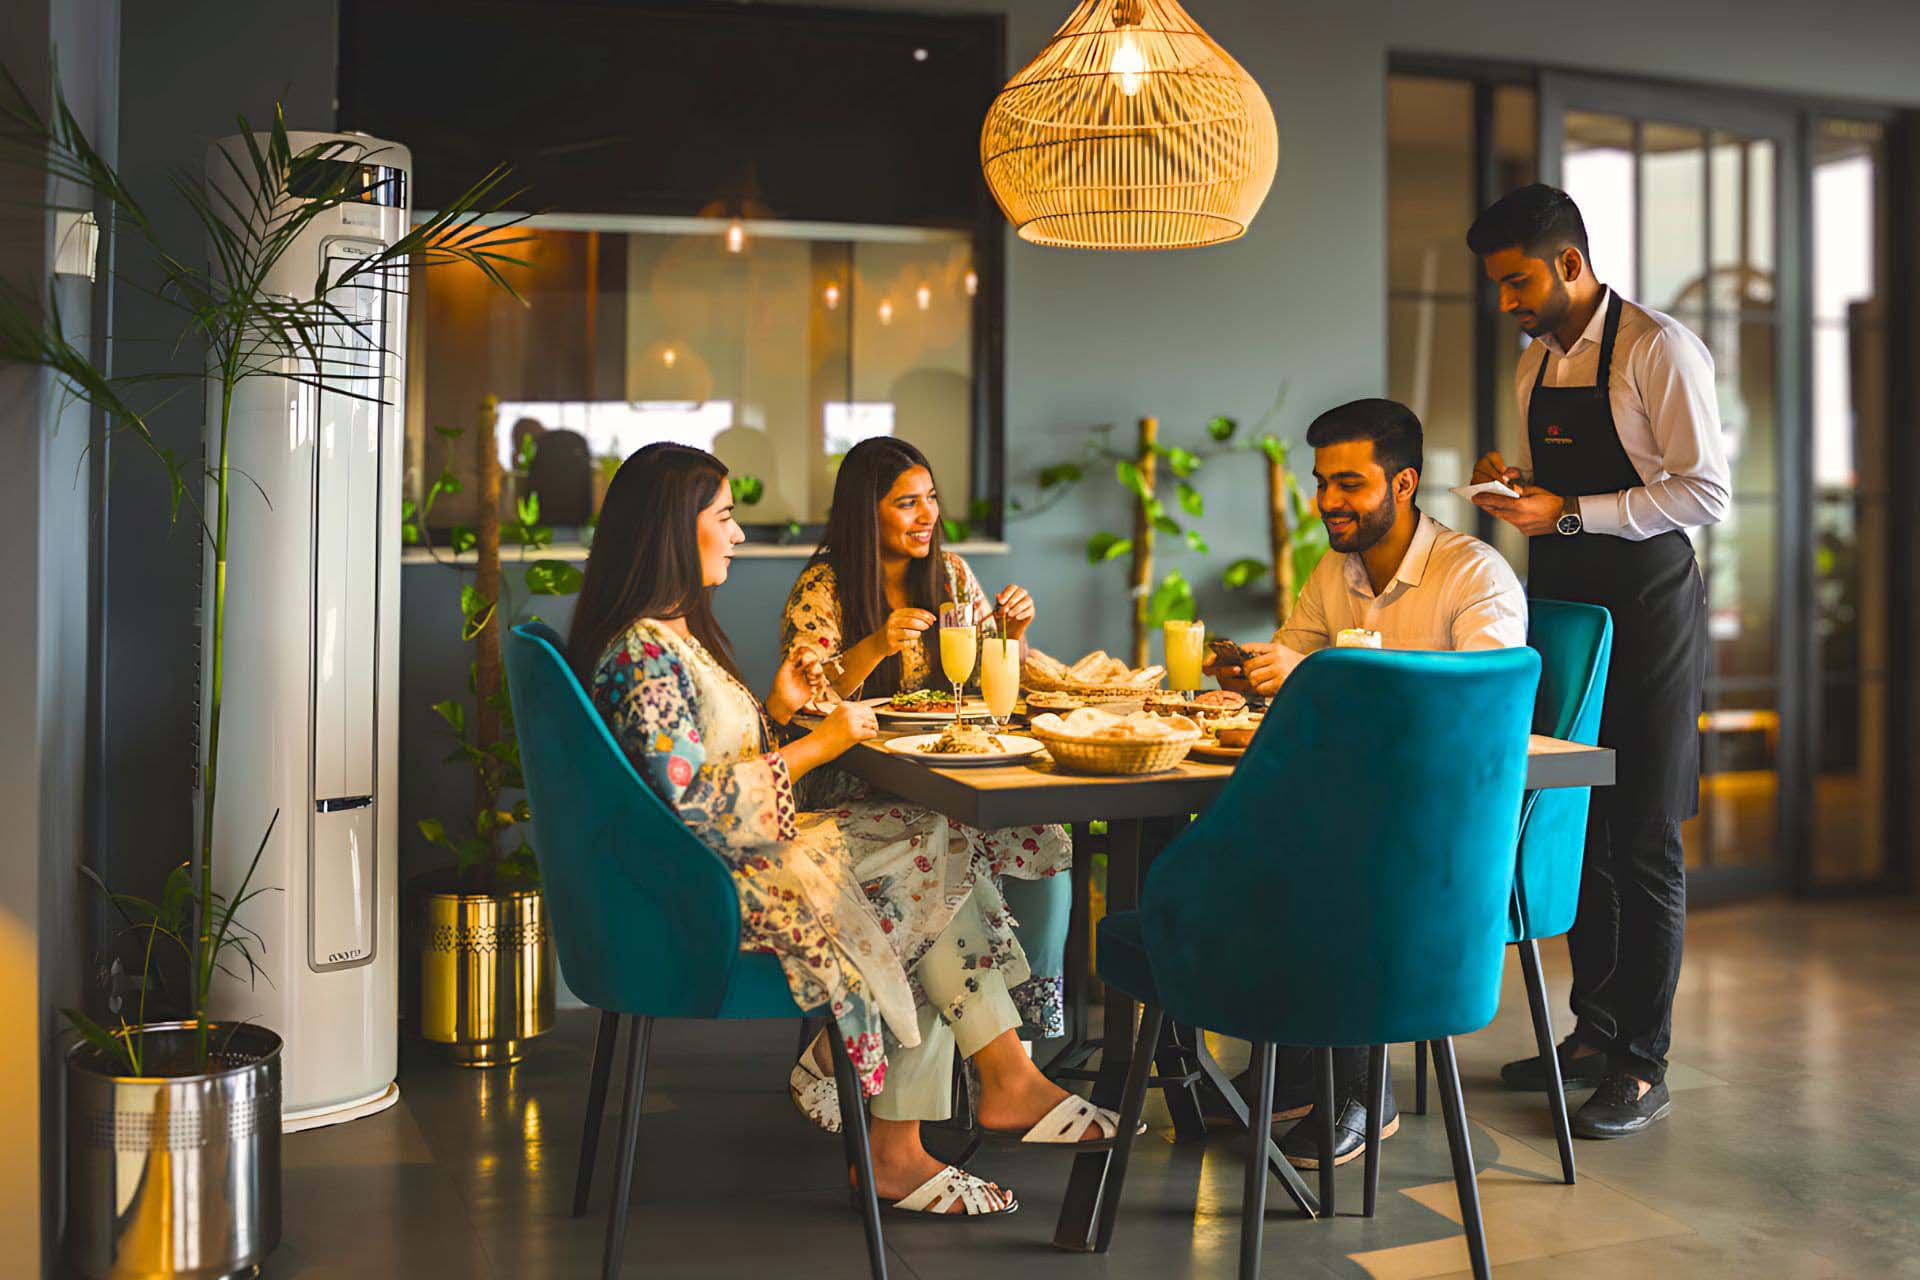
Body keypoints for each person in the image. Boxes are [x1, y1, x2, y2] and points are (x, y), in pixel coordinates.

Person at [1465, 183, 1727, 1139]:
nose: (1508, 303)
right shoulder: (1535, 362)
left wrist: (1569, 513)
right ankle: (1594, 1032)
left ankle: (1643, 1065)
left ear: (1569, 263)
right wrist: (1516, 486)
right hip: (1567, 610)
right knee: (1580, 824)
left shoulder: (1659, 348)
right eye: (1499, 286)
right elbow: (1555, 485)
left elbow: (1704, 491)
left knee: (1644, 832)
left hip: (1650, 610)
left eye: (1518, 282)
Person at [1204, 397, 1526, 1169]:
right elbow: (1297, 667)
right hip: (1348, 802)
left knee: (1328, 852)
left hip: (1453, 824)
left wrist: (1319, 670)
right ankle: (1298, 1062)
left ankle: (1361, 1086)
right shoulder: (1335, 571)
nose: (1328, 501)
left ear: (1404, 483)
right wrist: (1255, 672)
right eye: (1322, 482)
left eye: (1349, 483)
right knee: (1239, 837)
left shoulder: (1473, 574)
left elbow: (1483, 705)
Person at [780, 437, 1072, 1056]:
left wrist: (1014, 635)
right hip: (858, 781)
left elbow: (993, 681)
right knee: (947, 840)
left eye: (931, 498)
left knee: (1041, 831)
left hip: (949, 771)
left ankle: (1021, 1024)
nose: (927, 515)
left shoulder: (952, 575)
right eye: (906, 502)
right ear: (866, 512)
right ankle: (976, 1048)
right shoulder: (824, 586)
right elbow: (804, 698)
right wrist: (876, 645)